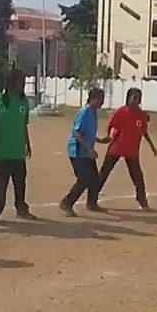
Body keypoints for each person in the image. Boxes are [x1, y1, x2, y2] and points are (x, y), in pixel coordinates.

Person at [0, 68, 35, 223]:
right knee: (1, 183)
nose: (22, 85)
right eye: (20, 82)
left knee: (20, 182)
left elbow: (24, 125)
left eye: (24, 82)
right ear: (11, 83)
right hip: (1, 150)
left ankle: (22, 209)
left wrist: (28, 143)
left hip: (18, 151)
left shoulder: (23, 102)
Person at [95, 87, 157, 210]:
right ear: (128, 98)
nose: (136, 101)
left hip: (132, 151)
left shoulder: (142, 115)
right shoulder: (121, 112)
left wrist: (152, 146)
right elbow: (113, 128)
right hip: (116, 148)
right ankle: (92, 199)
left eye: (138, 98)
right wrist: (107, 138)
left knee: (138, 177)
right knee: (103, 174)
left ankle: (142, 200)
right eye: (134, 98)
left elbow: (144, 132)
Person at [59, 87, 109, 217]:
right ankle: (67, 203)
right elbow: (76, 133)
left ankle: (91, 203)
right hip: (77, 151)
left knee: (95, 179)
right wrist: (89, 148)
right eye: (100, 99)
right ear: (93, 99)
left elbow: (88, 133)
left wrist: (99, 140)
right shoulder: (85, 112)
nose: (102, 102)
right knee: (84, 179)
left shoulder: (94, 113)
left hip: (86, 151)